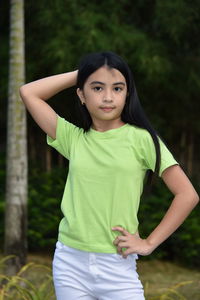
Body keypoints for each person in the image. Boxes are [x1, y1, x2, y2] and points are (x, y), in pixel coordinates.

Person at [20, 51, 199, 300]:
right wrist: (82, 73)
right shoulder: (73, 138)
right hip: (70, 263)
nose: (107, 97)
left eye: (117, 88)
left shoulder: (143, 139)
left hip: (117, 265)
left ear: (127, 94)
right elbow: (29, 92)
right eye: (97, 88)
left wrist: (149, 243)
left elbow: (187, 195)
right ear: (81, 95)